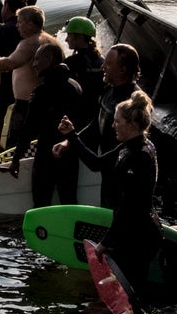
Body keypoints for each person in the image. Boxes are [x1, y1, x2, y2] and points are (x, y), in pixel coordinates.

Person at [58, 90, 162, 295]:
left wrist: (105, 243)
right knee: (127, 289)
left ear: (131, 125)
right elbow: (96, 164)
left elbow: (129, 208)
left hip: (139, 237)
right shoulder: (128, 147)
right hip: (131, 232)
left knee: (130, 292)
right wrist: (71, 136)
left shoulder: (139, 156)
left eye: (117, 121)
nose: (113, 126)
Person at [53, 43, 142, 208]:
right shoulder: (109, 90)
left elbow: (96, 163)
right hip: (108, 172)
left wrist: (71, 137)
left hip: (125, 176)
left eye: (108, 64)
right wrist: (69, 142)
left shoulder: (132, 103)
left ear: (122, 70)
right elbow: (96, 126)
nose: (102, 67)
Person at [0, 6, 63, 147]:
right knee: (38, 143)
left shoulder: (30, 43)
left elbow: (9, 63)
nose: (17, 26)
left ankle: (17, 165)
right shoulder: (52, 41)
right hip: (46, 103)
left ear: (30, 24)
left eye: (20, 22)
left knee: (16, 145)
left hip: (27, 106)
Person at [5, 43, 83, 207]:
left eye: (37, 60)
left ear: (49, 60)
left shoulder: (41, 92)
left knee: (41, 204)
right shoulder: (74, 86)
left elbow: (28, 129)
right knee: (69, 202)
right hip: (70, 155)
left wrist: (16, 159)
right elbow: (81, 121)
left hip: (46, 155)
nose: (34, 64)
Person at [0, 0, 28, 131]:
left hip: (9, 85)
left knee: (5, 121)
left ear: (6, 7)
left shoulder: (0, 31)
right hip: (29, 83)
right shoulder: (31, 29)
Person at [61, 16, 104, 128]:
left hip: (79, 115)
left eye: (68, 35)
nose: (66, 40)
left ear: (78, 37)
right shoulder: (101, 59)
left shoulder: (71, 62)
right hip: (97, 111)